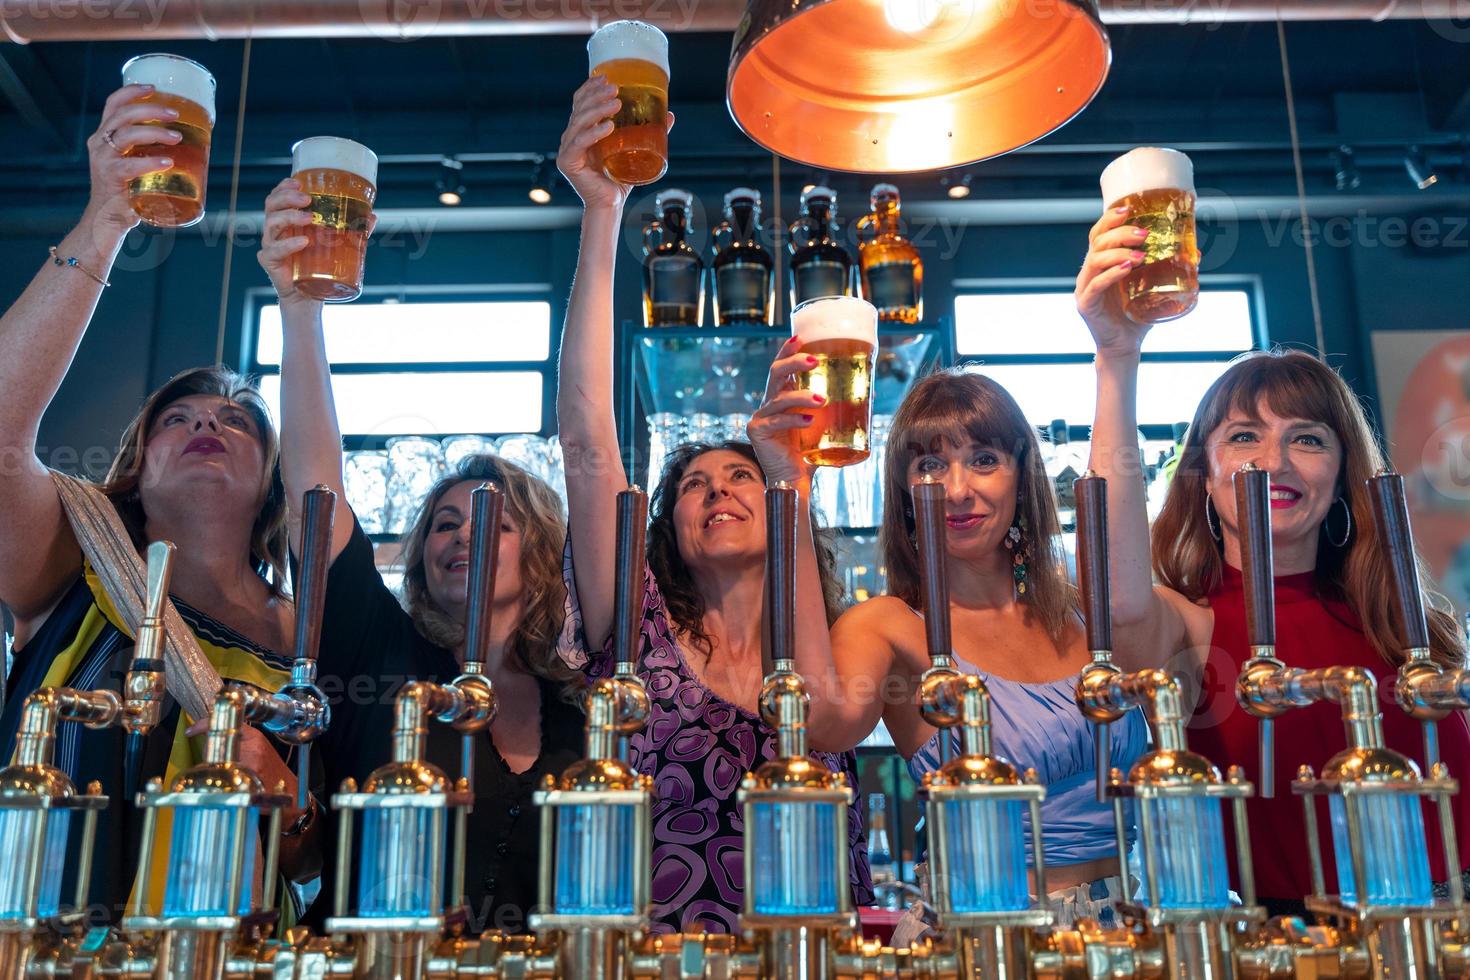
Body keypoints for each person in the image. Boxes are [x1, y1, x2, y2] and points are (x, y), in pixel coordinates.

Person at [1078, 206, 1470, 915]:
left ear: (1345, 473)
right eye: (1244, 436)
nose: (1275, 463)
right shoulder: (1184, 625)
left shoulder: (1400, 620)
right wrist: (1116, 356)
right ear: (1200, 474)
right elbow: (1116, 598)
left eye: (1309, 439)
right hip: (1296, 945)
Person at [554, 75, 872, 934]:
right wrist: (602, 213)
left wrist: (788, 473)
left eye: (740, 477)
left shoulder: (828, 641)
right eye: (693, 485)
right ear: (668, 535)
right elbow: (586, 440)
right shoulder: (637, 624)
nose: (718, 491)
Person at [0, 83, 313, 922]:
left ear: (273, 485)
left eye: (236, 421)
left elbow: (314, 856)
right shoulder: (74, 564)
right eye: (179, 417)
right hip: (41, 951)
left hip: (234, 953)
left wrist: (287, 797)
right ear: (137, 468)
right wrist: (107, 219)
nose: (207, 423)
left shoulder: (306, 631)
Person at [257, 178, 584, 933]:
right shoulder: (382, 649)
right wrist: (300, 309)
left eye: (491, 523)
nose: (462, 535)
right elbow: (317, 495)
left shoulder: (579, 696)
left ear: (540, 556)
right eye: (442, 524)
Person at [819, 370, 1147, 938]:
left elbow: (1117, 522)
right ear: (903, 492)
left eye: (984, 460)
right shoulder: (888, 626)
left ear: (1022, 478)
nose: (958, 489)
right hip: (979, 937)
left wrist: (1116, 357)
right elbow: (824, 728)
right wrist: (790, 485)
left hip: (1118, 929)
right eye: (930, 466)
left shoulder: (1080, 613)